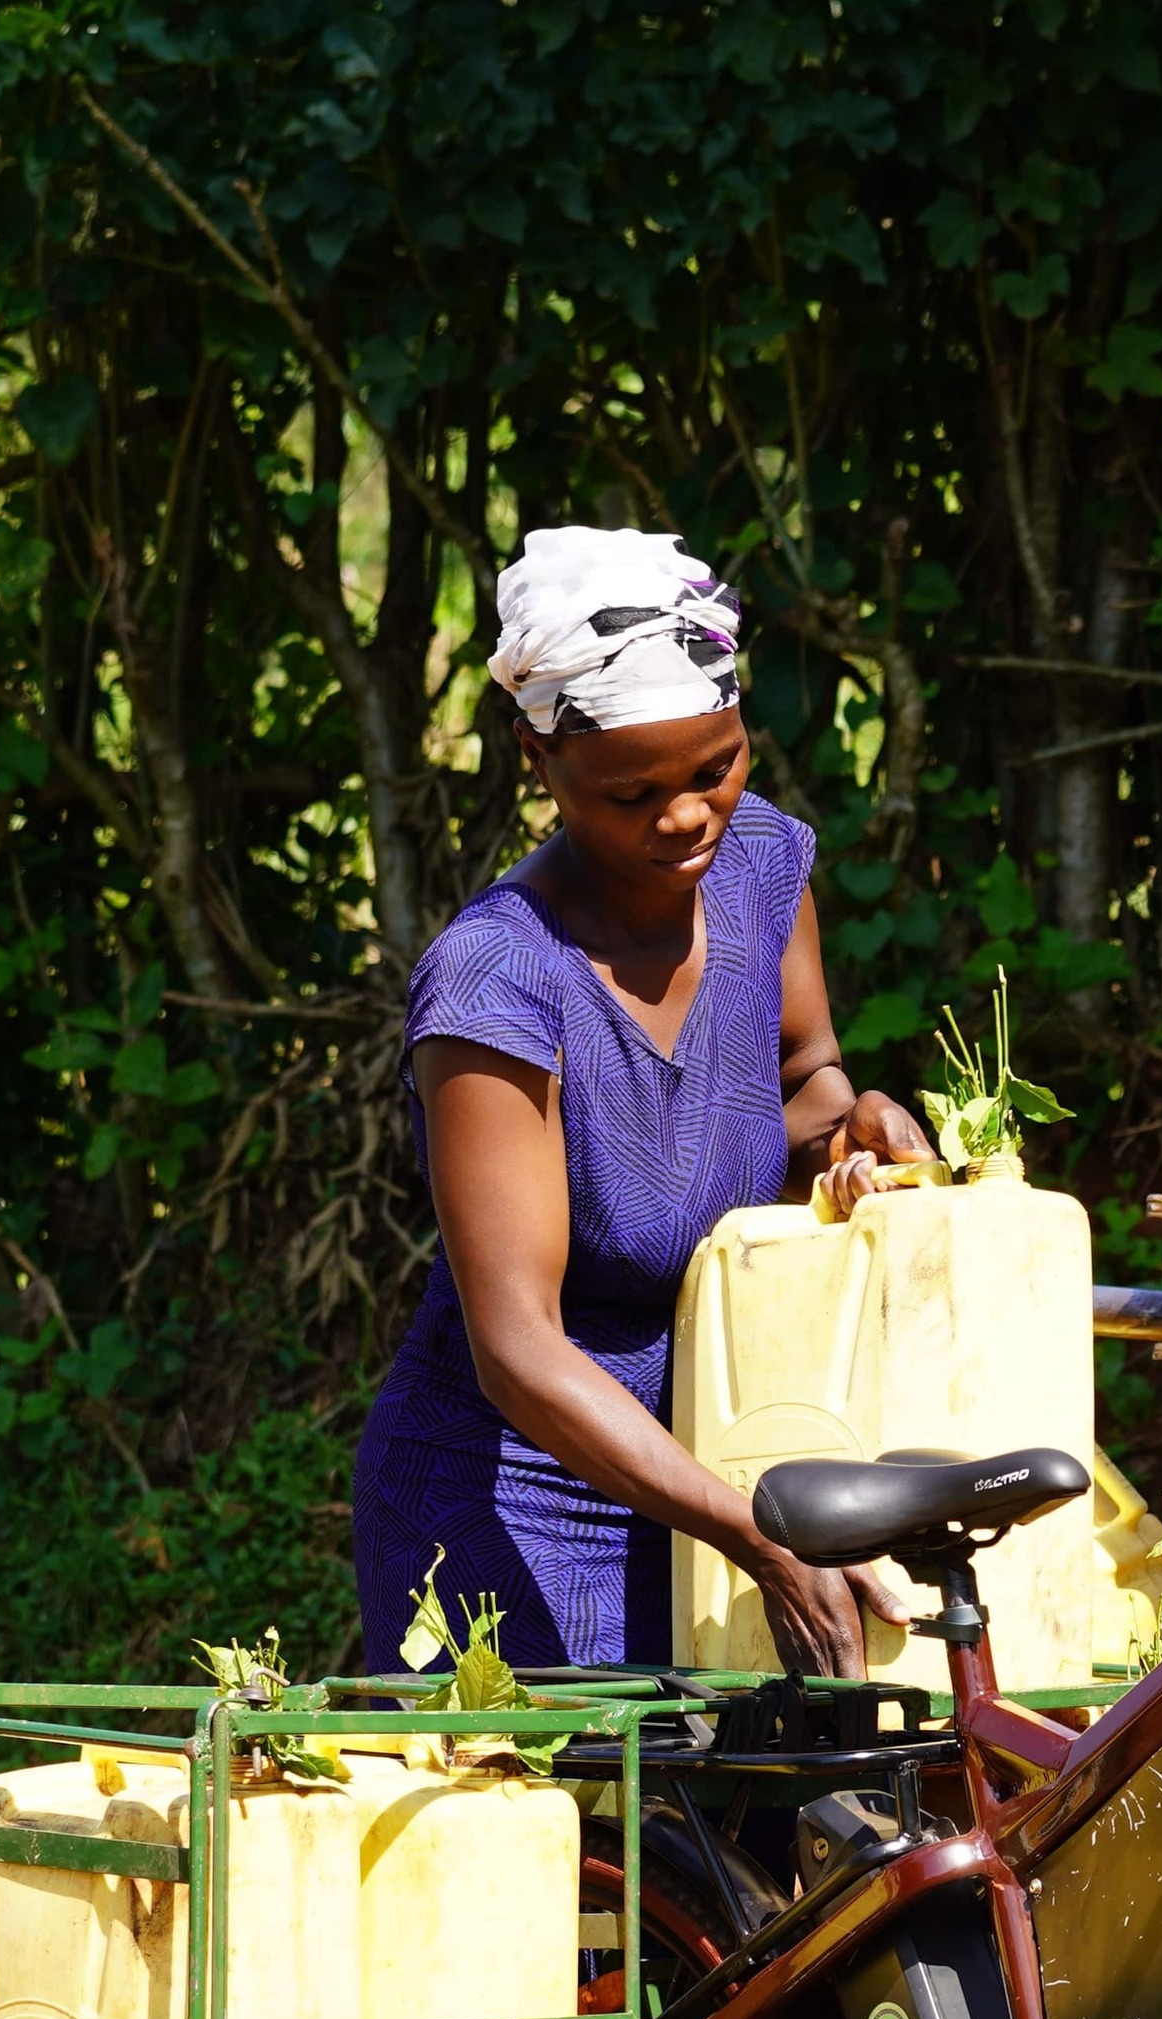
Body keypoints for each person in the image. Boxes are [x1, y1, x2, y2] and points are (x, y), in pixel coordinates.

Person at [349, 528, 932, 1678]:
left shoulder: (760, 867)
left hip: (718, 1470)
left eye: (714, 766)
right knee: (581, 1844)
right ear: (536, 758)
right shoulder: (498, 983)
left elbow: (798, 1085)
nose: (686, 816)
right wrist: (756, 1532)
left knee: (761, 1842)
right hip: (511, 1511)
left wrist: (854, 1127)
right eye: (633, 793)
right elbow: (516, 1349)